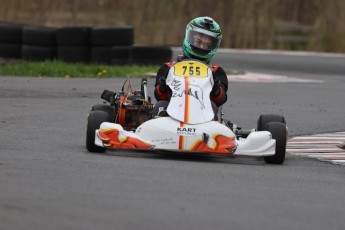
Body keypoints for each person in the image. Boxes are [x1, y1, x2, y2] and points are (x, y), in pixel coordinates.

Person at [153, 16, 228, 119]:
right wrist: (163, 86)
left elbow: (220, 99)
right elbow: (159, 96)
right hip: (171, 112)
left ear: (214, 45)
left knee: (213, 107)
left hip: (203, 115)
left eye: (206, 44)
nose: (201, 46)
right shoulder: (167, 68)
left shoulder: (216, 71)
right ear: (188, 37)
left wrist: (215, 89)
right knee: (160, 106)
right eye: (197, 41)